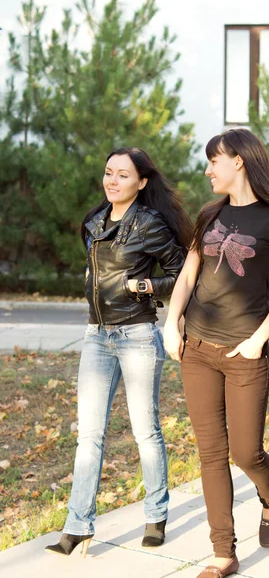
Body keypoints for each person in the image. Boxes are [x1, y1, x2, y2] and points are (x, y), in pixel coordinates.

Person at [164, 129, 269, 578]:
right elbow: (188, 275)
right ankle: (223, 553)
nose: (208, 170)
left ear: (238, 161)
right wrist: (172, 322)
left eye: (214, 161)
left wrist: (259, 338)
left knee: (246, 453)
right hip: (198, 349)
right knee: (210, 453)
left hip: (245, 352)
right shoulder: (209, 215)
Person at [46, 147, 192, 558]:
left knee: (146, 430)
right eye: (109, 173)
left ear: (142, 182)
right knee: (88, 434)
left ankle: (156, 516)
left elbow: (182, 274)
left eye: (123, 175)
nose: (113, 181)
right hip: (96, 337)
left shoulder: (149, 224)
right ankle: (77, 526)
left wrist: (144, 287)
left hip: (137, 336)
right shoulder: (94, 222)